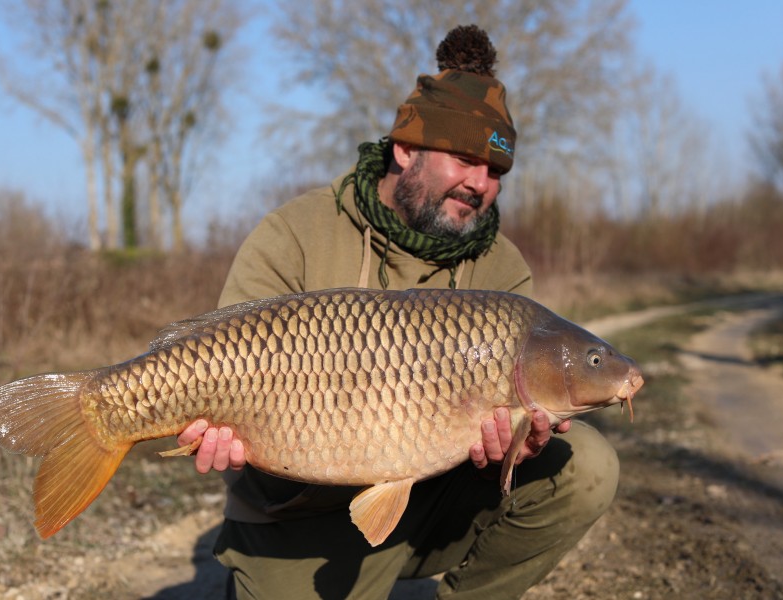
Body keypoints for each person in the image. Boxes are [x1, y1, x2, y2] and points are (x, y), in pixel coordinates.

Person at [176, 25, 619, 600]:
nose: (480, 184)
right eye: (465, 159)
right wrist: (218, 433)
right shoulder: (296, 233)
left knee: (583, 465)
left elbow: (510, 433)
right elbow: (222, 356)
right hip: (299, 517)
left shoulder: (502, 273)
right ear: (406, 149)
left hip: (436, 501)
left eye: (496, 171)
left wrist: (516, 447)